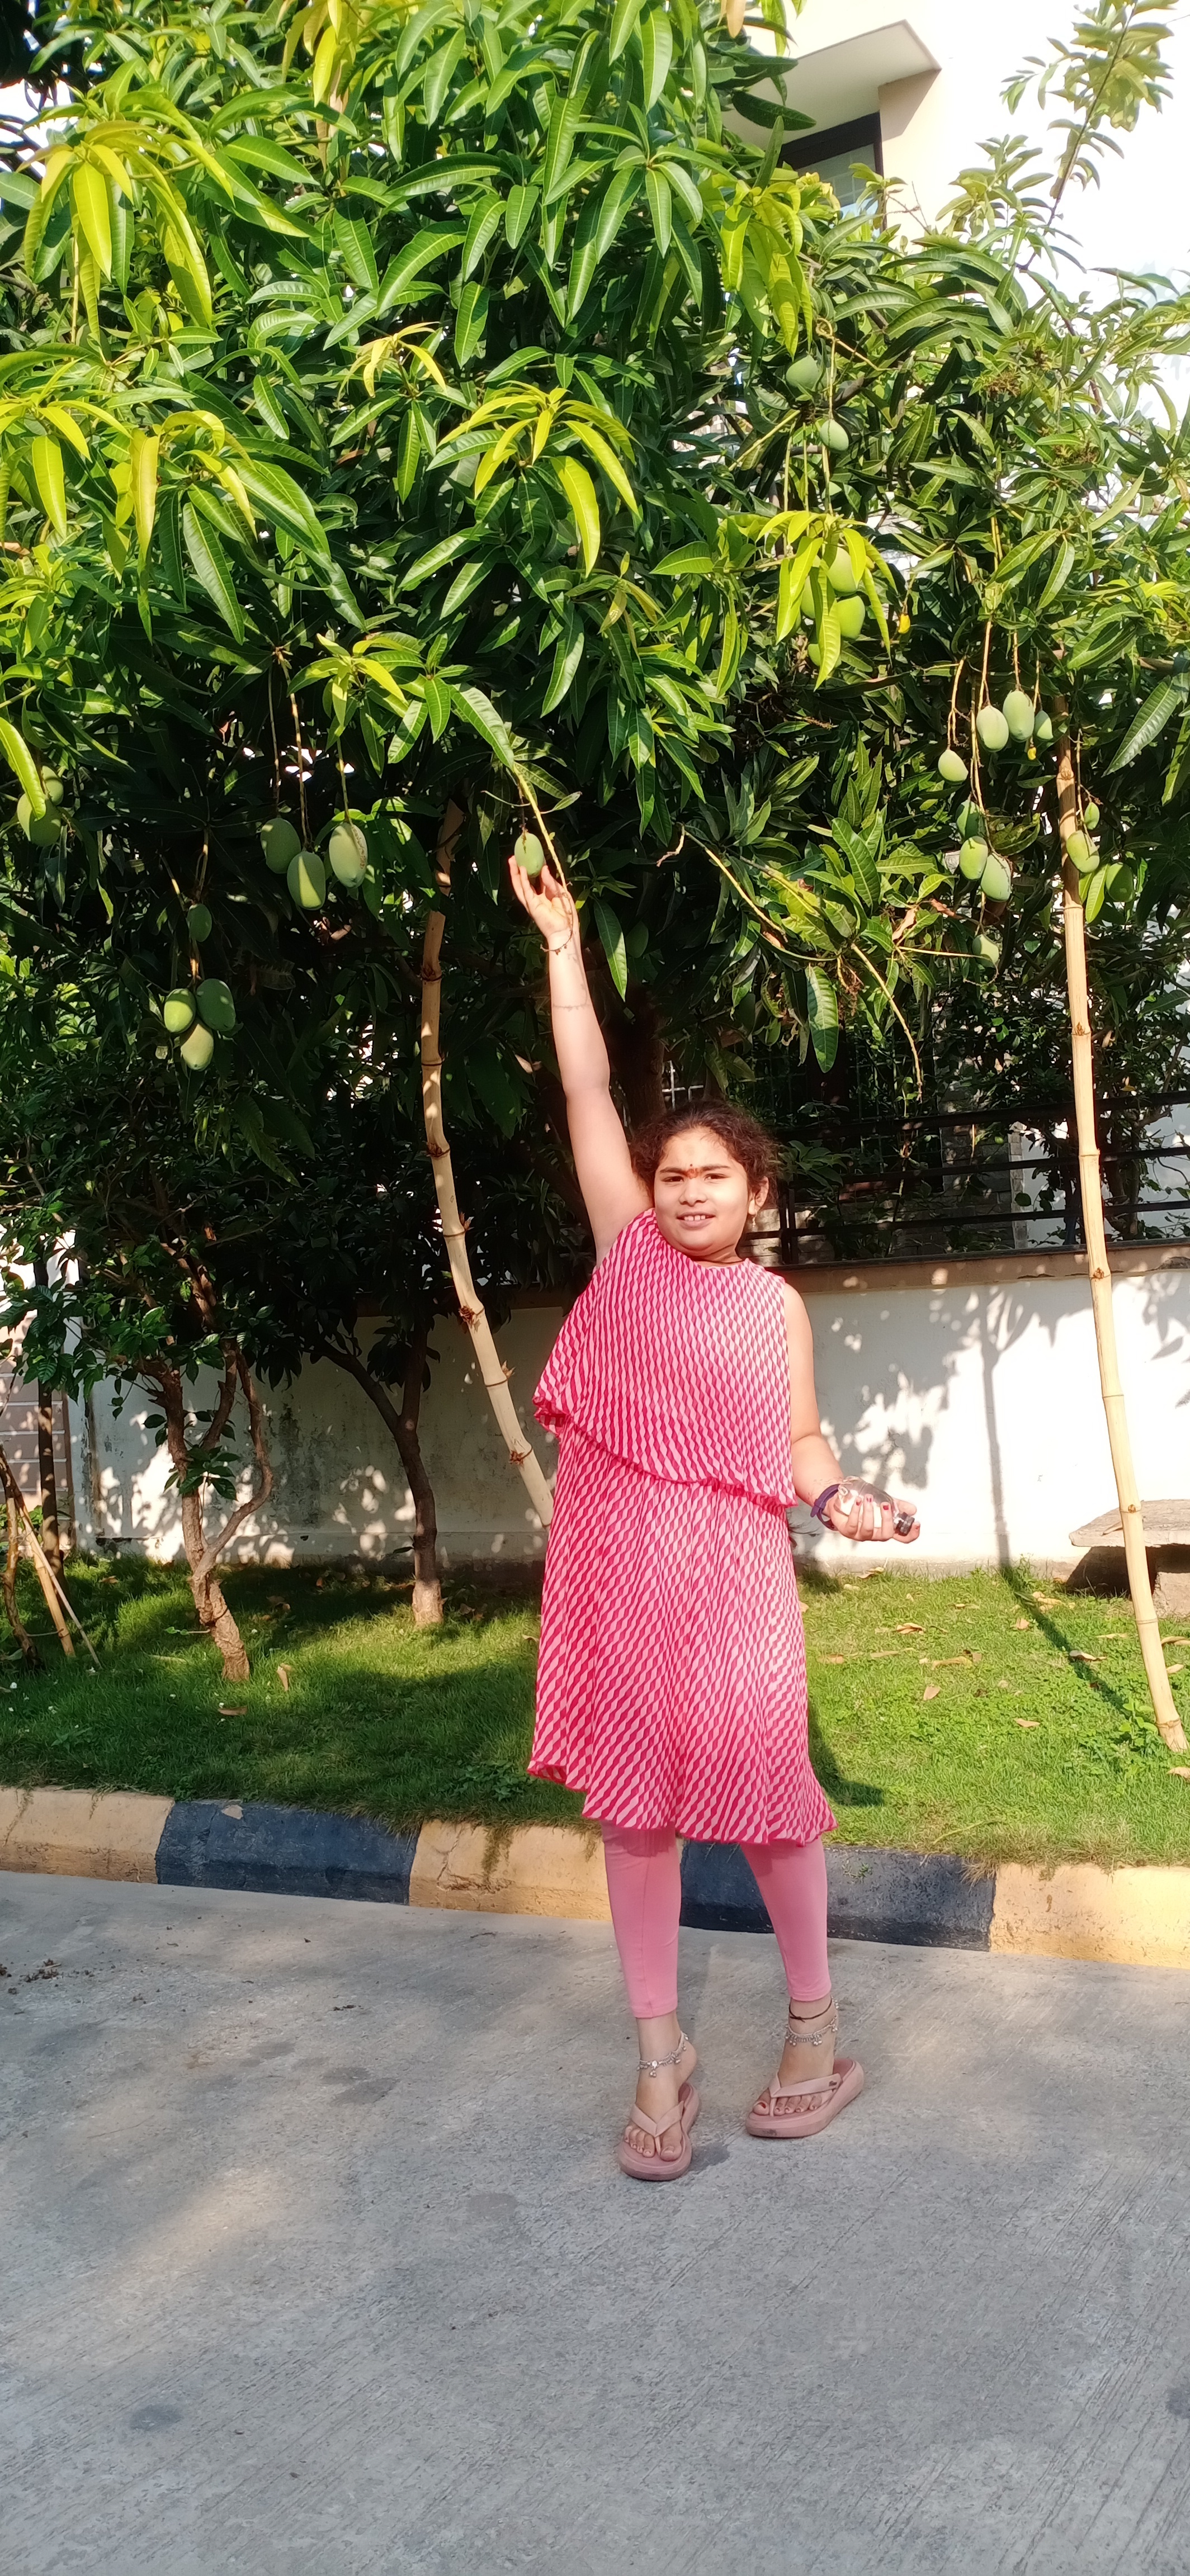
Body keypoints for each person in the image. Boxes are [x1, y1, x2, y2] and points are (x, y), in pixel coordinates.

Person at [509, 851, 920, 2181]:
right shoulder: (624, 1253)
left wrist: (842, 1499)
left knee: (766, 1802)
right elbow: (585, 1089)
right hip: (615, 1573)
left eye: (713, 1176)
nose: (687, 1190)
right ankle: (658, 2057)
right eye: (671, 1172)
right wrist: (563, 948)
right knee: (634, 1814)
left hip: (733, 1580)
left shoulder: (770, 1307)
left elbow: (797, 1444)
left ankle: (815, 2035)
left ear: (755, 1195)